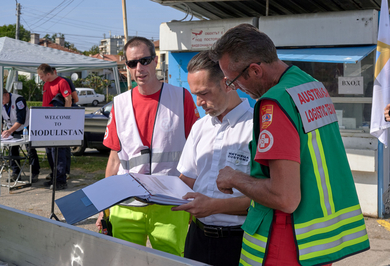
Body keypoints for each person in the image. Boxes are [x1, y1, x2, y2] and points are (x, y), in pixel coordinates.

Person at [210, 24, 370, 266]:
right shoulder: (310, 85)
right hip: (316, 242)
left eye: (232, 82)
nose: (237, 90)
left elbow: (285, 197)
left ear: (254, 70)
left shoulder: (274, 103)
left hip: (283, 242)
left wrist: (234, 178)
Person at [96, 37, 199, 256]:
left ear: (155, 62)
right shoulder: (119, 103)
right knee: (125, 261)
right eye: (132, 63)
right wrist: (104, 208)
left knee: (173, 261)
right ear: (126, 67)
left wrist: (195, 198)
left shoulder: (181, 98)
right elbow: (114, 160)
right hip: (126, 204)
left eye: (144, 60)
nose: (139, 68)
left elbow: (196, 153)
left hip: (171, 203)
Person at [171, 51, 253, 266]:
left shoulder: (258, 127)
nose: (199, 103)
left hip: (241, 241)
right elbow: (187, 179)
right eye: (195, 94)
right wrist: (152, 191)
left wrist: (214, 206)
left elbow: (270, 198)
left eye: (204, 93)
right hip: (197, 238)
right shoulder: (201, 126)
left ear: (227, 83)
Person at [37, 63, 72, 190]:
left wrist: (66, 118)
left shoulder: (62, 82)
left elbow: (68, 99)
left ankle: (61, 180)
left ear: (48, 74)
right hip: (46, 122)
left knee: (58, 151)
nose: (40, 79)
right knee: (49, 151)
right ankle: (54, 177)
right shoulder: (46, 84)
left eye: (41, 76)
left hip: (58, 122)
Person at [1, 89, 40, 182]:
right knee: (12, 150)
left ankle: (35, 172)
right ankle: (15, 172)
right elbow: (0, 118)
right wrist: (1, 130)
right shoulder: (0, 103)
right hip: (12, 128)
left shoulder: (19, 100)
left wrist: (9, 131)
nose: (0, 101)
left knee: (30, 149)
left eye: (1, 98)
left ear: (6, 95)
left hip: (25, 127)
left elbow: (21, 119)